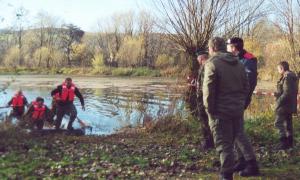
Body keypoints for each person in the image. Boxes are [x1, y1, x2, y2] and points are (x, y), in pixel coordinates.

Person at [203, 37, 258, 180]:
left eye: (209, 48)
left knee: (224, 143)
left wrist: (210, 110)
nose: (209, 51)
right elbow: (246, 86)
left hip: (220, 112)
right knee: (238, 136)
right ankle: (246, 163)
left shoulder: (212, 64)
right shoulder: (239, 63)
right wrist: (241, 104)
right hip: (237, 109)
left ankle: (226, 175)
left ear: (213, 48)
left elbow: (208, 91)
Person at [226, 37, 259, 175]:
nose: (227, 48)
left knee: (238, 132)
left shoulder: (248, 59)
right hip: (233, 101)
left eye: (228, 46)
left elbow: (249, 83)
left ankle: (252, 165)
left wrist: (242, 101)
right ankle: (241, 160)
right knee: (234, 131)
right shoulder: (233, 59)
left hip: (239, 101)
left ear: (234, 47)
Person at [274, 61, 298, 149]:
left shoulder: (287, 77)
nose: (278, 71)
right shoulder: (291, 76)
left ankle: (283, 143)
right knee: (288, 123)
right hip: (289, 105)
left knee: (278, 123)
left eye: (278, 69)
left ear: (282, 68)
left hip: (284, 105)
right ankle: (289, 142)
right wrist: (277, 94)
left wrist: (278, 103)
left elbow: (287, 93)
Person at [196, 51, 214, 150]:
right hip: (205, 98)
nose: (197, 60)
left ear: (201, 58)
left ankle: (207, 143)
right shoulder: (209, 65)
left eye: (198, 58)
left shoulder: (206, 67)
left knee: (204, 121)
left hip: (204, 99)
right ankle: (210, 141)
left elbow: (205, 86)